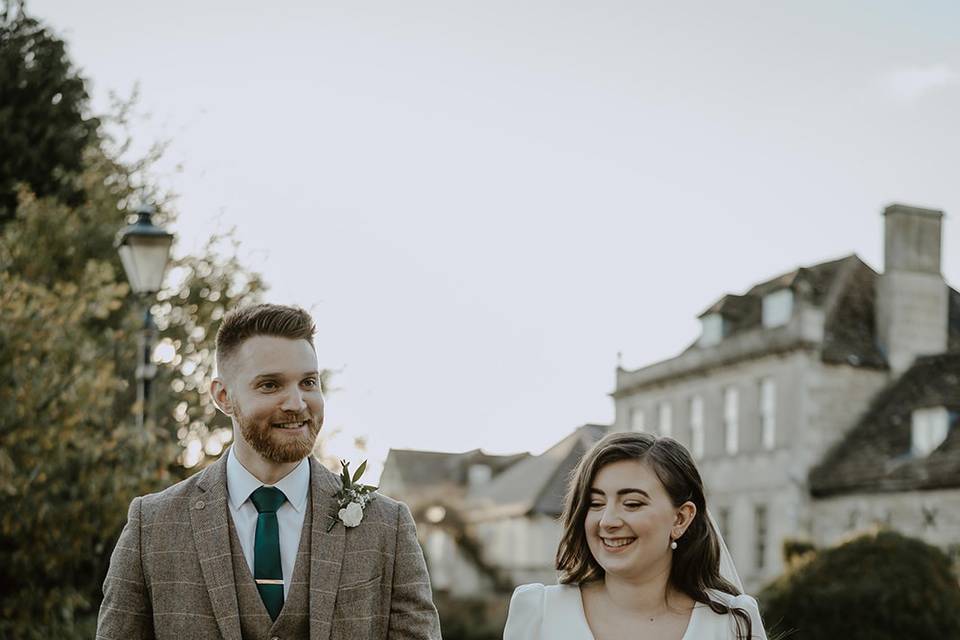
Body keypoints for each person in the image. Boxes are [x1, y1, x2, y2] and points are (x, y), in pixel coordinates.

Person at [96, 303, 441, 639]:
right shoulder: (152, 526)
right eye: (270, 385)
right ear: (223, 396)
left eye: (308, 382)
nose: (296, 403)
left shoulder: (387, 526)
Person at [503, 431, 767, 640]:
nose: (607, 521)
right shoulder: (538, 611)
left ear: (680, 518)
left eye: (632, 503)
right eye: (595, 504)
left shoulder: (732, 623)